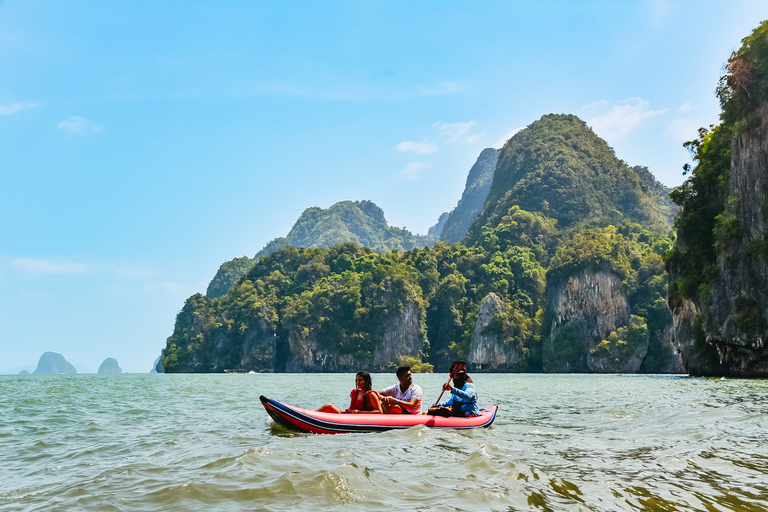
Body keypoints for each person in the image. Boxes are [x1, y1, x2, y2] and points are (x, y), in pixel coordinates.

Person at [317, 371, 384, 414]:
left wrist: (359, 412)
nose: (358, 382)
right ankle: (311, 416)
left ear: (367, 381)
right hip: (350, 416)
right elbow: (353, 407)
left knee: (329, 406)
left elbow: (379, 412)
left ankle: (311, 415)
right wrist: (348, 410)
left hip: (359, 419)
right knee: (328, 408)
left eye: (360, 380)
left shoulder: (371, 394)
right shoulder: (355, 393)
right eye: (356, 380)